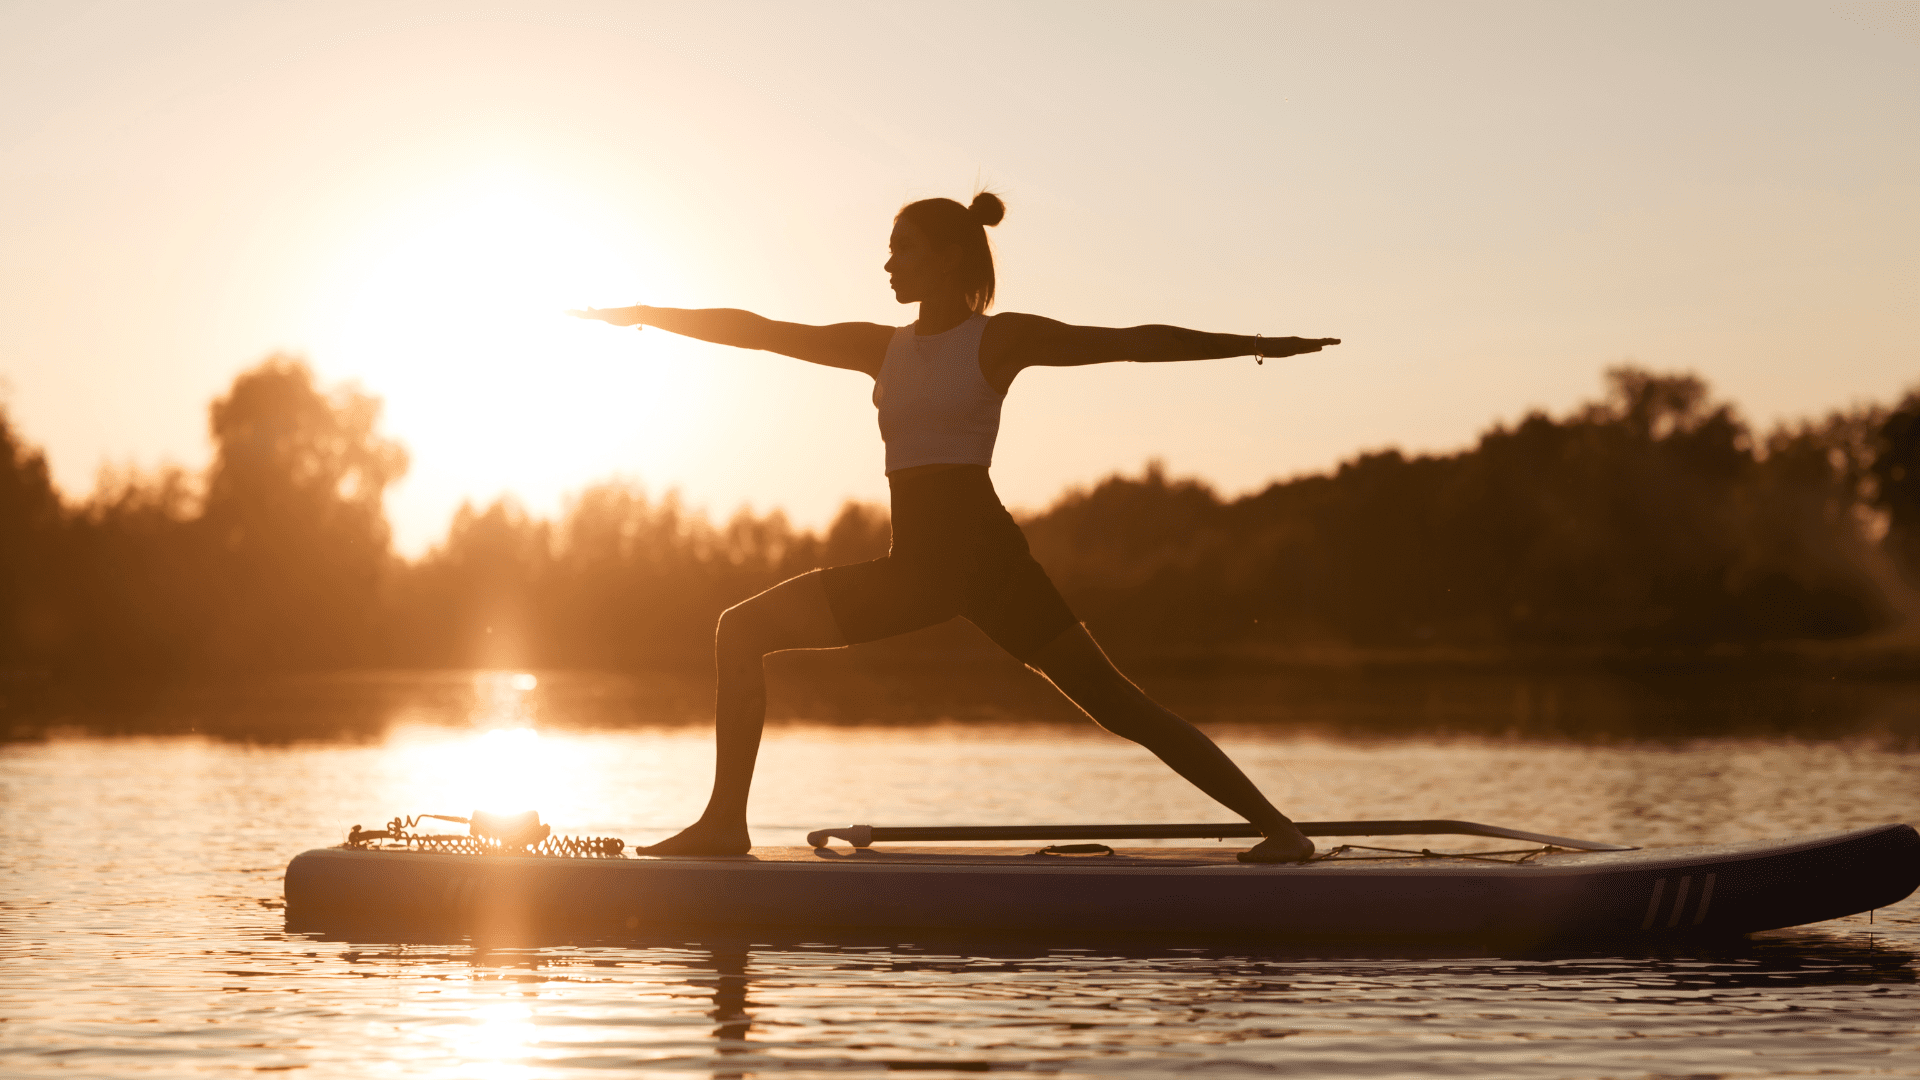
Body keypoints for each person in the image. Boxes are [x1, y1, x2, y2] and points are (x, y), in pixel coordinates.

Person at [572, 191, 1339, 862]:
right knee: (740, 630)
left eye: (900, 250)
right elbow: (758, 328)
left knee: (1120, 706)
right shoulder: (881, 348)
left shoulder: (998, 340)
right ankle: (723, 824)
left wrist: (1257, 345)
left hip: (988, 564)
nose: (887, 267)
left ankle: (1281, 830)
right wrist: (644, 315)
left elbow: (1134, 342)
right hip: (914, 573)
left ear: (943, 257)